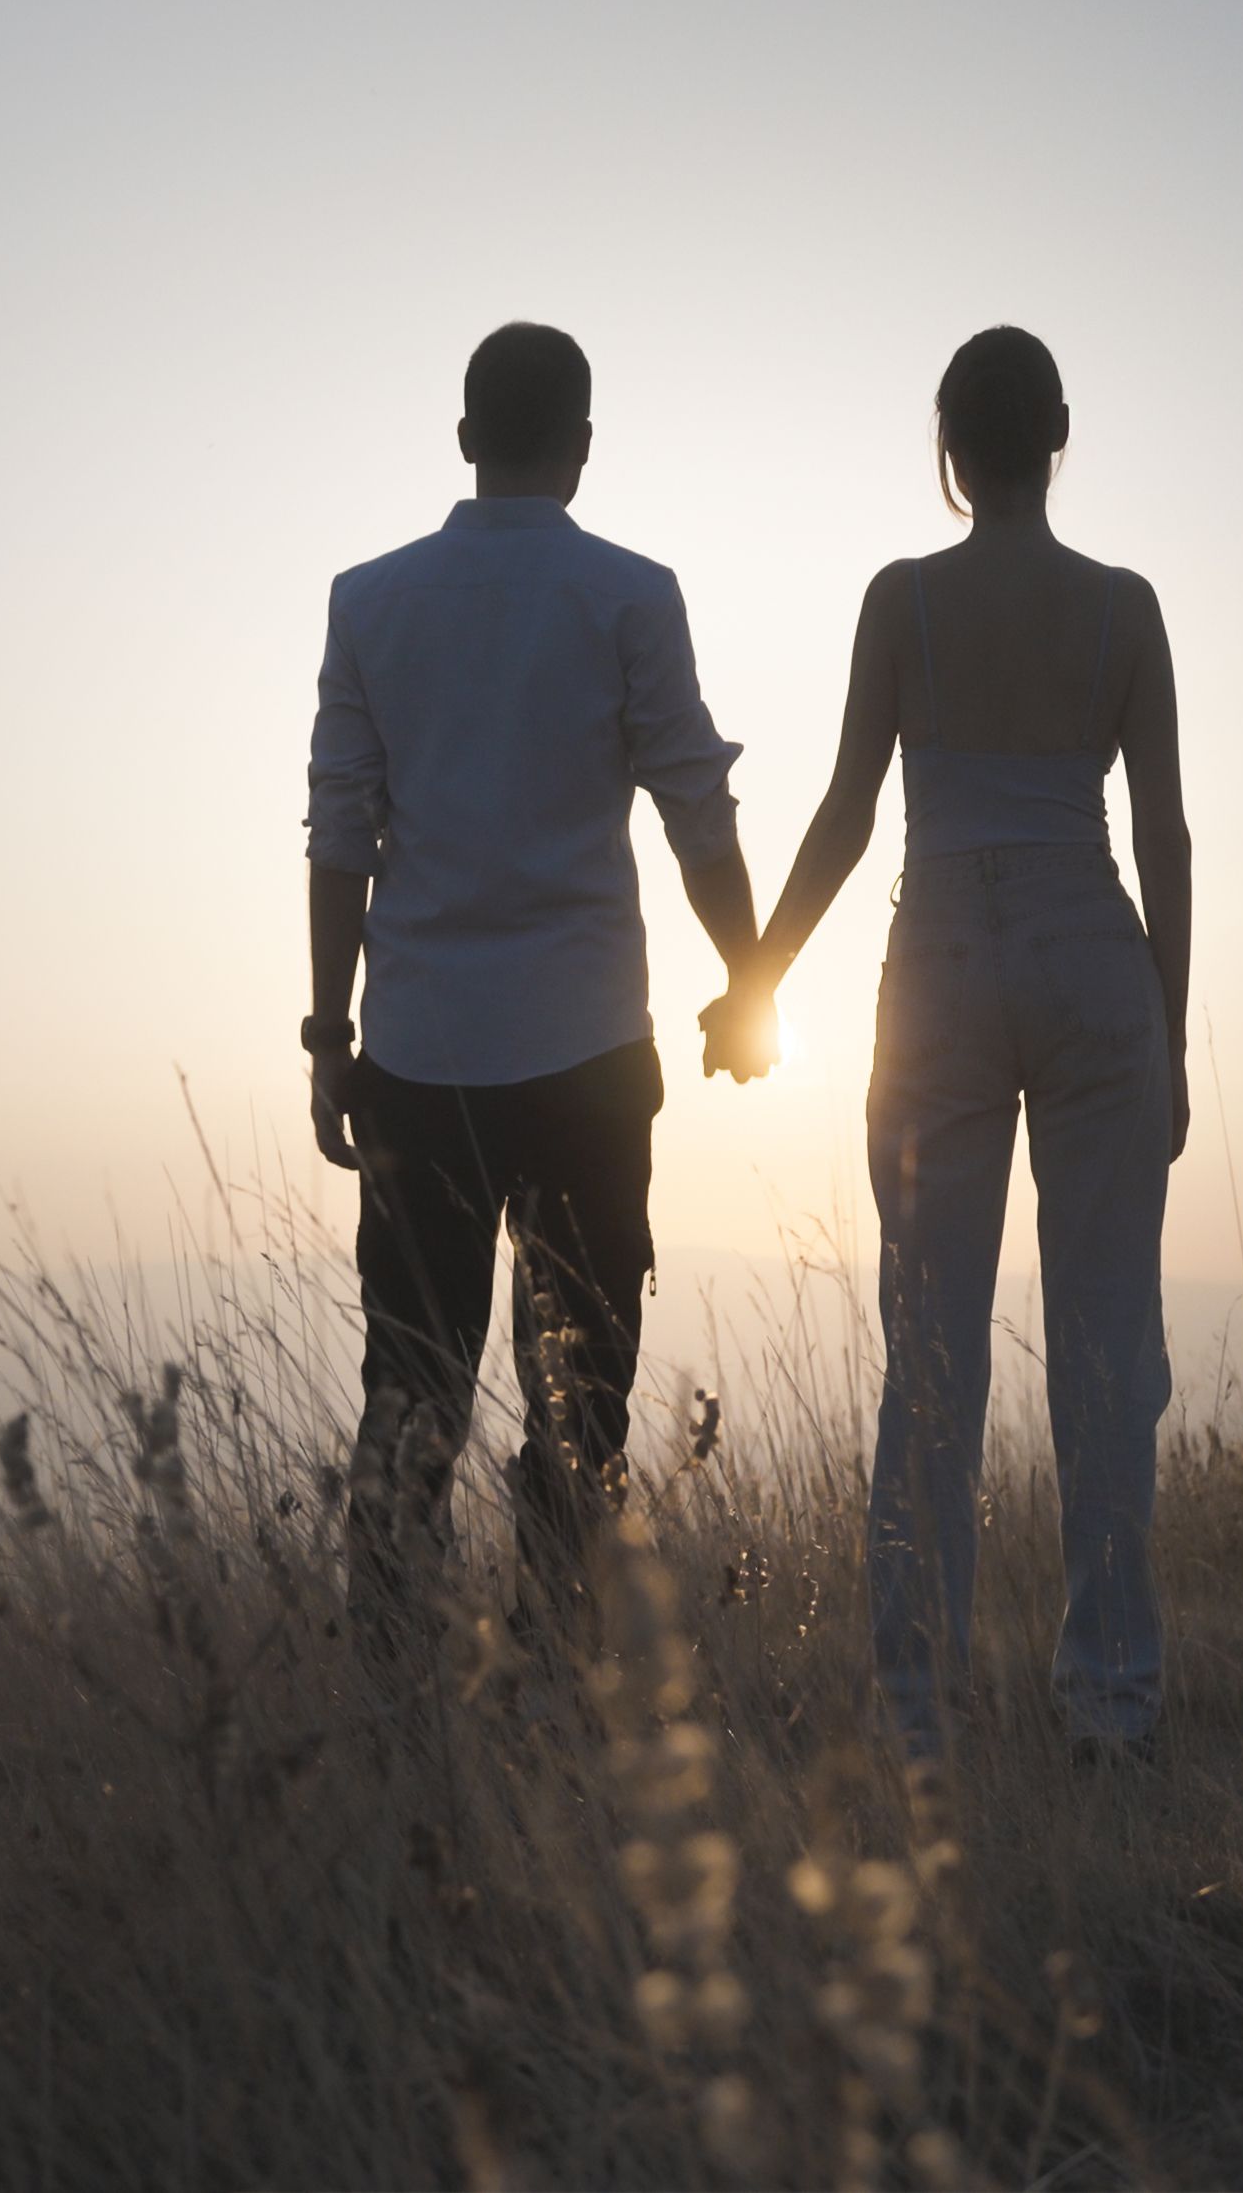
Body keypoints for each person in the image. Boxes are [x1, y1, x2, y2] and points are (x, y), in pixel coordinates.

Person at [710, 326, 1190, 1764]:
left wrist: (758, 978)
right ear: (1059, 438)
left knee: (930, 1353)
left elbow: (852, 808)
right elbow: (1161, 832)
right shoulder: (1126, 609)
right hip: (1094, 945)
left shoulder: (903, 602)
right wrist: (1165, 1025)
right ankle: (1111, 1702)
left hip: (942, 964)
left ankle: (919, 1718)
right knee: (1108, 1350)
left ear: (948, 448)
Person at [303, 321, 762, 1658]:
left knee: (412, 1394)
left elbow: (341, 835)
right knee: (581, 1396)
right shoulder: (629, 594)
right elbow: (694, 807)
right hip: (585, 1059)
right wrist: (748, 976)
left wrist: (331, 1031)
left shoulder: (369, 599)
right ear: (582, 446)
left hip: (422, 1055)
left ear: (464, 440)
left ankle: (392, 1691)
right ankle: (559, 1682)